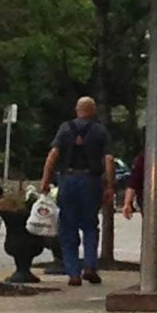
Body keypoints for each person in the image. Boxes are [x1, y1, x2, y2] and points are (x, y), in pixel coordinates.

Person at [39, 97, 114, 286]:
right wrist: (109, 186)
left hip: (68, 180)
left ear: (76, 109)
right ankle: (89, 266)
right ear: (94, 110)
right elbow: (109, 159)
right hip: (91, 181)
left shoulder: (65, 128)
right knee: (90, 225)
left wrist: (45, 180)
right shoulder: (100, 131)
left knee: (68, 227)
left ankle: (73, 273)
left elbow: (53, 155)